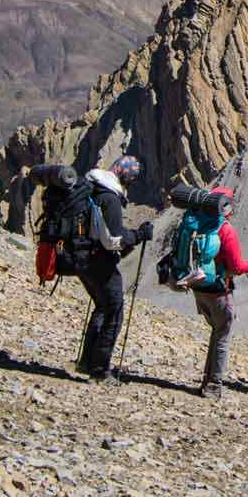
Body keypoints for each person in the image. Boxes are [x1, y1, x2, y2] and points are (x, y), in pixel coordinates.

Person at [177, 186, 248, 399]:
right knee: (222, 337)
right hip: (219, 290)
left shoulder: (195, 222)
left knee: (217, 332)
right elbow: (236, 267)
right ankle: (213, 385)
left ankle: (207, 381)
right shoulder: (224, 229)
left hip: (198, 287)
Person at [74, 156, 154, 383]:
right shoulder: (110, 198)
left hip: (82, 258)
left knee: (102, 307)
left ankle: (86, 362)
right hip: (100, 262)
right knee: (114, 313)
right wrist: (138, 235)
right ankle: (99, 371)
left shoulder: (93, 189)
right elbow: (113, 240)